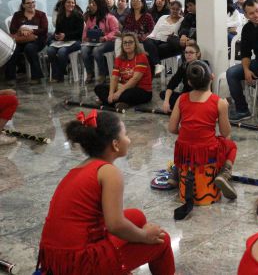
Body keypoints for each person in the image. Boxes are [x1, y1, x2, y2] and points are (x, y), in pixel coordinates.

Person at [37, 110, 174, 274]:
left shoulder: (82, 167)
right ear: (115, 144)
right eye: (126, 134)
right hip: (80, 263)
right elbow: (115, 225)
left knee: (136, 216)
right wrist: (145, 236)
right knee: (162, 240)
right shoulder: (109, 172)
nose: (129, 140)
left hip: (56, 258)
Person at [168, 61, 238, 219]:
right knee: (231, 145)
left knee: (183, 146)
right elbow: (226, 132)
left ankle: (176, 172)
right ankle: (224, 174)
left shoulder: (181, 98)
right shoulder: (219, 102)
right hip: (207, 152)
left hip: (185, 152)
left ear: (189, 82)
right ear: (212, 77)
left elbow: (172, 128)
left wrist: (188, 132)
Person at [95, 33, 153, 110]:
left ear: (135, 44)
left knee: (128, 94)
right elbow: (114, 78)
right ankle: (119, 103)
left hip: (141, 90)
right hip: (124, 87)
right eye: (125, 43)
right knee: (98, 88)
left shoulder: (141, 57)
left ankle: (107, 102)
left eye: (130, 42)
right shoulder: (119, 58)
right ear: (122, 45)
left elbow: (135, 79)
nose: (127, 45)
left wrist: (118, 92)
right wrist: (111, 93)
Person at [5, 0, 49, 85]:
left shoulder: (41, 15)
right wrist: (21, 30)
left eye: (33, 2)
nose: (31, 4)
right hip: (21, 40)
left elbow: (44, 30)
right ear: (23, 5)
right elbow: (12, 29)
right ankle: (10, 77)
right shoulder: (17, 15)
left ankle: (36, 77)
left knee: (29, 48)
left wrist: (31, 31)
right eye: (28, 3)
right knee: (12, 50)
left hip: (37, 40)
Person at [161, 43, 211, 113]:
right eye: (186, 52)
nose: (188, 55)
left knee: (181, 102)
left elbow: (203, 89)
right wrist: (166, 101)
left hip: (198, 98)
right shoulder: (184, 66)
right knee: (164, 94)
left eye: (191, 52)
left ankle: (183, 108)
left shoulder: (203, 66)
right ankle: (183, 108)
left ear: (198, 54)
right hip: (185, 96)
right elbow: (172, 83)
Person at [81, 0, 120, 84]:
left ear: (100, 6)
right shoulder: (91, 18)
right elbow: (85, 30)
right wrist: (85, 37)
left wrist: (105, 37)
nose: (91, 6)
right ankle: (90, 73)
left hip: (109, 41)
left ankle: (102, 74)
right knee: (83, 50)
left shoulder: (110, 17)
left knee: (96, 50)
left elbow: (115, 31)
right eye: (91, 4)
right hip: (94, 42)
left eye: (94, 5)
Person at [47, 0, 84, 82]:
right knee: (50, 50)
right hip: (63, 41)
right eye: (68, 2)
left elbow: (80, 33)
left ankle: (59, 76)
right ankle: (57, 73)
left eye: (73, 3)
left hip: (76, 41)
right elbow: (58, 30)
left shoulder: (78, 16)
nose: (71, 4)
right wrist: (57, 35)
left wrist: (66, 35)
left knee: (62, 52)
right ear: (64, 4)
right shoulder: (60, 15)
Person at [143, 0, 183, 75]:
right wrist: (149, 37)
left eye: (177, 9)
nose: (175, 11)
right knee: (146, 41)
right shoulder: (163, 17)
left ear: (180, 10)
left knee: (151, 52)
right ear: (170, 8)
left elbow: (180, 34)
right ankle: (158, 65)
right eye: (173, 9)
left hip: (169, 42)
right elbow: (155, 31)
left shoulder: (182, 20)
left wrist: (175, 35)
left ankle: (164, 70)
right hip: (156, 39)